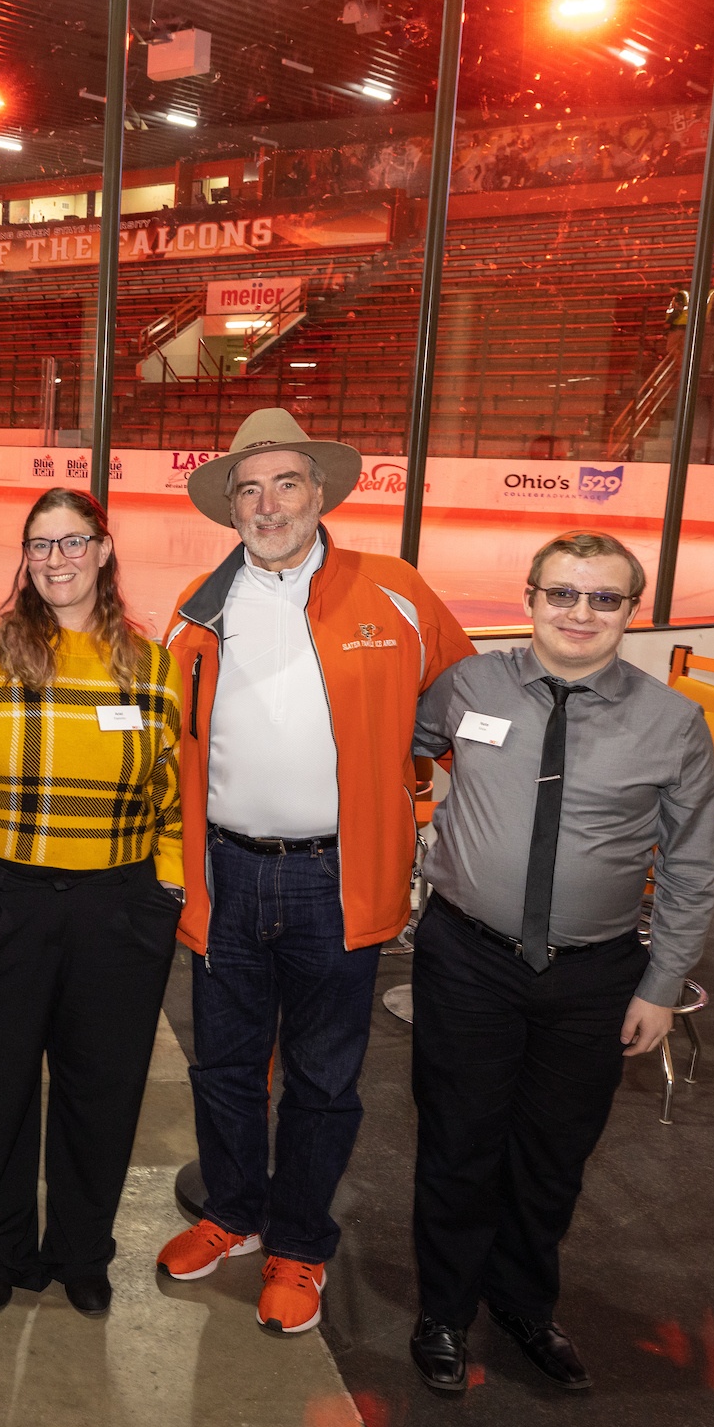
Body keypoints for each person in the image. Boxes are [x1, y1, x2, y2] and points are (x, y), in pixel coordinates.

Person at [156, 408, 474, 1336]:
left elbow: (466, 708)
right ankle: (234, 1213)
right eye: (249, 490)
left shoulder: (396, 591)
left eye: (285, 483)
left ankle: (299, 1241)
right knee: (221, 1065)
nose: (268, 504)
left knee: (324, 1079)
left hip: (337, 878)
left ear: (321, 493)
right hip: (225, 873)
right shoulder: (199, 607)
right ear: (231, 508)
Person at [405, 532, 714, 1395]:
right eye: (563, 593)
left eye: (604, 598)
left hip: (592, 975)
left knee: (553, 1154)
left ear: (631, 609)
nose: (580, 612)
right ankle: (443, 1311)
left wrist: (662, 982)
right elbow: (401, 746)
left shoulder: (673, 722)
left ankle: (522, 1303)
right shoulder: (466, 685)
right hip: (467, 959)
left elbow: (691, 865)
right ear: (532, 595)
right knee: (458, 1144)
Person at [0, 488, 186, 1317]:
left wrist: (166, 890)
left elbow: (171, 796)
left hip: (117, 908)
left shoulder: (151, 667)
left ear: (105, 551)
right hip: (3, 902)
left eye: (74, 543)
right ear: (25, 556)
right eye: (41, 545)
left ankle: (82, 1250)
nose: (57, 560)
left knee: (101, 1090)